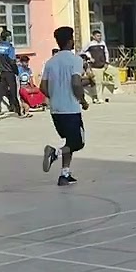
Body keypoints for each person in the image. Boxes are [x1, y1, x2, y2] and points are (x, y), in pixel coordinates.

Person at [40, 26, 88, 187]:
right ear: (69, 41)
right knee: (78, 143)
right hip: (71, 109)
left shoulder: (50, 62)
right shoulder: (76, 60)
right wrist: (82, 100)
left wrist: (55, 96)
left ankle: (64, 174)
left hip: (56, 110)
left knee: (69, 141)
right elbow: (75, 82)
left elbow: (43, 87)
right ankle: (55, 153)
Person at [0, 28, 28, 120]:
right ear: (7, 37)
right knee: (14, 93)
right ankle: (20, 112)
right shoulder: (10, 48)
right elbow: (12, 61)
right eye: (10, 36)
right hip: (10, 73)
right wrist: (16, 72)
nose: (11, 37)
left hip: (2, 72)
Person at [84, 30, 110, 103]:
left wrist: (107, 62)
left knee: (100, 82)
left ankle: (99, 97)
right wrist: (90, 57)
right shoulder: (90, 44)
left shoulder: (102, 43)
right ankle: (96, 97)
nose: (99, 37)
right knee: (96, 82)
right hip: (94, 66)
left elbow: (106, 52)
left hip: (102, 65)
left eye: (100, 36)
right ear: (93, 36)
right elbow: (84, 51)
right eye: (98, 36)